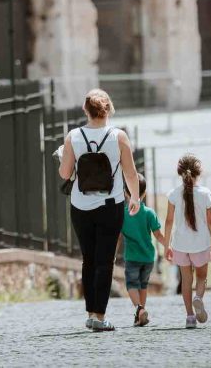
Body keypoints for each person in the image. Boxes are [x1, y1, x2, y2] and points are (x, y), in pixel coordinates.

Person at [58, 88, 141, 332]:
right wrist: (134, 197)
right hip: (110, 206)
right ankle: (99, 316)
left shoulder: (73, 136)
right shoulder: (119, 136)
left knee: (89, 260)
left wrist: (65, 156)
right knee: (105, 261)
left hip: (80, 206)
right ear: (109, 109)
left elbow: (64, 174)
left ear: (85, 110)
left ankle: (89, 312)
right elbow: (131, 173)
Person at [164, 153, 211, 329]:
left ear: (180, 173)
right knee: (201, 278)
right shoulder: (205, 194)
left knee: (186, 280)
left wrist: (166, 246)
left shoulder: (173, 194)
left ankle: (189, 317)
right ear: (198, 173)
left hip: (180, 245)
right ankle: (198, 298)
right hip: (201, 244)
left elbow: (168, 221)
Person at [120, 175, 166, 326]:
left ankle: (139, 309)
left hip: (132, 257)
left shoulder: (123, 214)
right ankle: (140, 313)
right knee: (143, 285)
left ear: (126, 193)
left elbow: (117, 237)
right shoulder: (149, 213)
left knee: (132, 285)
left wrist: (112, 255)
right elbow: (158, 235)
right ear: (144, 193)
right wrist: (168, 246)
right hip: (148, 257)